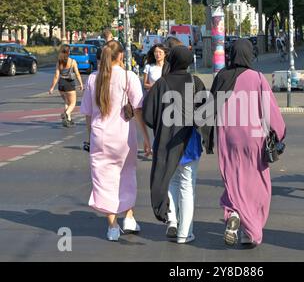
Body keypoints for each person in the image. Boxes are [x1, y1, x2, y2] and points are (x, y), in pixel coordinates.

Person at [203, 39, 286, 247]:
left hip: (228, 139)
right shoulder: (257, 78)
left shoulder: (222, 76)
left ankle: (233, 214)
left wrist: (208, 136)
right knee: (258, 185)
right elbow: (271, 112)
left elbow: (209, 109)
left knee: (233, 180)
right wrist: (279, 133)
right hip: (254, 140)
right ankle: (252, 232)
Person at [80, 40, 152, 242]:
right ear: (120, 56)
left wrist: (89, 137)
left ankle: (112, 226)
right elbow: (138, 109)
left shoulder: (93, 79)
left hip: (99, 136)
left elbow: (87, 112)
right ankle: (129, 217)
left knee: (104, 180)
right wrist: (146, 139)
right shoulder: (128, 77)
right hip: (123, 137)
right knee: (126, 174)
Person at [143, 46, 206, 244]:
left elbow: (148, 115)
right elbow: (207, 112)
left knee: (170, 180)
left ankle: (171, 220)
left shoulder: (162, 83)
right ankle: (184, 233)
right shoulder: (195, 82)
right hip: (188, 142)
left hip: (165, 141)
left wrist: (161, 127)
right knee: (187, 186)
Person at [49, 45, 84, 127]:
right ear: (68, 52)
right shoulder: (72, 62)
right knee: (72, 103)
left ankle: (68, 120)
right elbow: (77, 74)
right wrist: (81, 84)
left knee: (66, 102)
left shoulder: (59, 62)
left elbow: (56, 76)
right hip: (69, 84)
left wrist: (52, 88)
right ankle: (66, 113)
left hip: (61, 84)